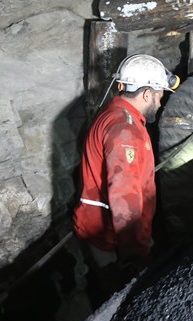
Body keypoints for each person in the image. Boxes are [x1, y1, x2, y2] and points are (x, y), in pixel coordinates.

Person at [73, 54, 180, 287]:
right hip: (112, 241)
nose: (160, 103)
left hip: (106, 234)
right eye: (159, 95)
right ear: (146, 94)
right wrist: (136, 252)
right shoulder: (125, 129)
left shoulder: (113, 115)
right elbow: (124, 195)